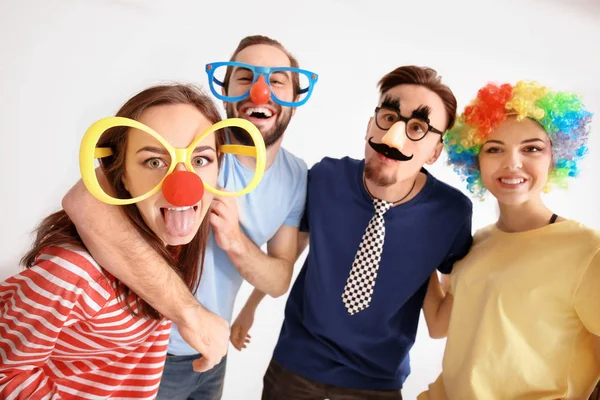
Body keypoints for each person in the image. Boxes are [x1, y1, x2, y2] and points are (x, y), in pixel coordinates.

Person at [60, 35, 318, 399]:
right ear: (225, 89)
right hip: (147, 348)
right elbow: (82, 200)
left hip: (212, 349)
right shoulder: (195, 140)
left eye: (276, 80)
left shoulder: (296, 176)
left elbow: (278, 279)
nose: (260, 91)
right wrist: (189, 314)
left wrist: (235, 241)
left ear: (294, 97)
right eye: (245, 77)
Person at [0, 83, 261, 399]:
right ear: (120, 174)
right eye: (154, 161)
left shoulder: (169, 239)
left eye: (201, 160)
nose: (183, 183)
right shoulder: (71, 271)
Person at [259, 65, 473, 400]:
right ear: (369, 125)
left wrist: (497, 258)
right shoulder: (326, 177)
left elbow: (441, 317)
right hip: (296, 365)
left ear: (434, 152)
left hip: (377, 381)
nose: (393, 137)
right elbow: (288, 254)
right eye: (388, 117)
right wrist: (249, 307)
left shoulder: (451, 213)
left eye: (417, 127)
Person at [418, 80, 599, 399]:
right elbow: (438, 325)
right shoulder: (478, 242)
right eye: (494, 148)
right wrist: (416, 245)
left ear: (555, 158)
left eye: (531, 148)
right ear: (475, 160)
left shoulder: (587, 250)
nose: (512, 163)